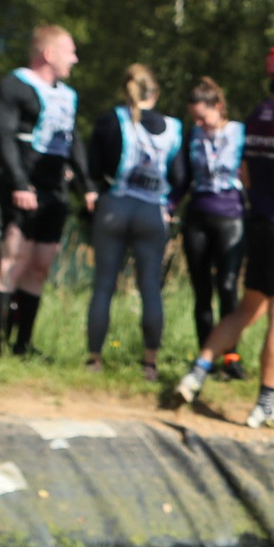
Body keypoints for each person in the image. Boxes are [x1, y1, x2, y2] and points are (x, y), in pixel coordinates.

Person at [167, 43, 274, 429]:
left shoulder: (259, 114)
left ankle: (195, 373)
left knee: (247, 308)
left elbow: (245, 173)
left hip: (258, 224)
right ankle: (265, 404)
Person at [0, 25, 79, 355]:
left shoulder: (67, 95)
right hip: (23, 188)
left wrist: (86, 186)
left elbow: (75, 141)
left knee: (39, 268)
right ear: (49, 54)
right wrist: (19, 182)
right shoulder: (15, 85)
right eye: (69, 51)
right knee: (12, 265)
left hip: (54, 192)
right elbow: (3, 137)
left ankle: (23, 345)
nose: (74, 58)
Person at [82, 64, 185, 378]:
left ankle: (94, 361)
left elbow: (93, 164)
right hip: (152, 213)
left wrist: (94, 191)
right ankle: (150, 365)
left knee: (103, 286)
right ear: (155, 93)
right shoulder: (173, 127)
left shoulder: (111, 120)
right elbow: (180, 176)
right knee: (150, 288)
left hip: (115, 207)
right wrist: (170, 204)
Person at [179, 78, 248, 381]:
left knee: (229, 287)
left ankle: (231, 356)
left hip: (230, 216)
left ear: (218, 107)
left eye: (202, 116)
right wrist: (169, 205)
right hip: (198, 216)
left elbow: (252, 173)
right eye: (194, 118)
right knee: (201, 290)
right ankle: (205, 357)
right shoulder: (192, 135)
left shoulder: (240, 133)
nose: (199, 123)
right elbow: (181, 176)